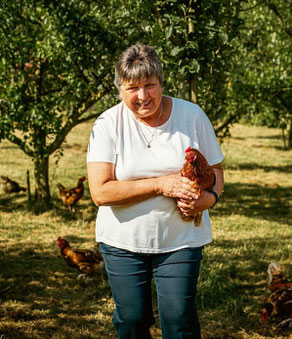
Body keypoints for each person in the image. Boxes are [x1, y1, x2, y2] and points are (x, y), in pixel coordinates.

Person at [87, 44, 224, 339]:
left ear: (162, 82)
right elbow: (100, 193)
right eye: (132, 87)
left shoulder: (192, 115)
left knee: (179, 321)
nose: (142, 96)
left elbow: (217, 172)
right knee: (132, 321)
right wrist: (161, 184)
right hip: (122, 241)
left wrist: (208, 199)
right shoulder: (108, 124)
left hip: (181, 239)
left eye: (150, 85)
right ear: (119, 90)